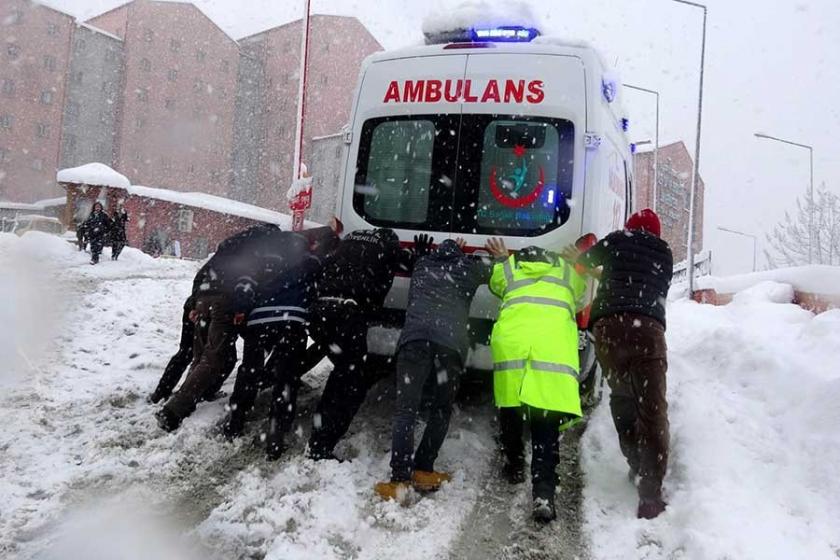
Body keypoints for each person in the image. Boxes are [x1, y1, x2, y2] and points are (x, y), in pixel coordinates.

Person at [569, 209, 673, 520]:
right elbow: (646, 285)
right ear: (656, 232)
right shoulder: (665, 254)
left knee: (623, 397)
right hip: (648, 332)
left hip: (609, 331)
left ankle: (635, 463)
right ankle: (650, 494)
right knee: (652, 410)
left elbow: (584, 263)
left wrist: (579, 255)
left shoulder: (617, 240)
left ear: (628, 227)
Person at [374, 238, 491, 502]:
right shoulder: (468, 268)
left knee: (407, 409)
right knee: (441, 407)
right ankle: (424, 469)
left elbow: (419, 256)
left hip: (414, 341)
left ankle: (399, 479)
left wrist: (430, 253)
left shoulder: (423, 264)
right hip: (450, 345)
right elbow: (497, 275)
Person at [306, 229, 431, 461]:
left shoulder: (349, 240)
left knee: (343, 373)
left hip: (318, 313)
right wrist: (421, 255)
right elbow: (414, 267)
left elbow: (323, 259)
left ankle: (319, 433)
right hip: (346, 313)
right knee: (349, 383)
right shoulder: (387, 246)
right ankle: (321, 445)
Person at [485, 238, 586, 523]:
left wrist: (504, 259)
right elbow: (580, 294)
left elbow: (496, 283)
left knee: (511, 409)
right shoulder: (567, 274)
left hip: (513, 349)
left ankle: (513, 463)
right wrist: (575, 260)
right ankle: (543, 493)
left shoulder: (510, 271)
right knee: (545, 428)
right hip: (552, 354)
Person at [156, 223, 291, 432]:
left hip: (204, 298)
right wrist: (241, 308)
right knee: (213, 359)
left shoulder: (230, 246)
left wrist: (195, 301)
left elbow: (201, 274)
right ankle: (173, 411)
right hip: (225, 302)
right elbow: (249, 280)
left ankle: (201, 394)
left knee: (209, 357)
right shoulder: (259, 250)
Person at [222, 226, 339, 460]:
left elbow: (245, 284)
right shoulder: (309, 261)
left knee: (249, 371)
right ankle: (276, 435)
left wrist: (241, 309)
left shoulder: (264, 261)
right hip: (291, 322)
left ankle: (235, 421)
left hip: (259, 321)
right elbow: (324, 267)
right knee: (286, 378)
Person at [148, 261, 238, 405]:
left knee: (188, 353)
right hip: (209, 311)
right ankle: (201, 394)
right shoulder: (242, 261)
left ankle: (163, 393)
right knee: (223, 357)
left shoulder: (223, 257)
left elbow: (199, 279)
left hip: (198, 307)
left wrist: (194, 303)